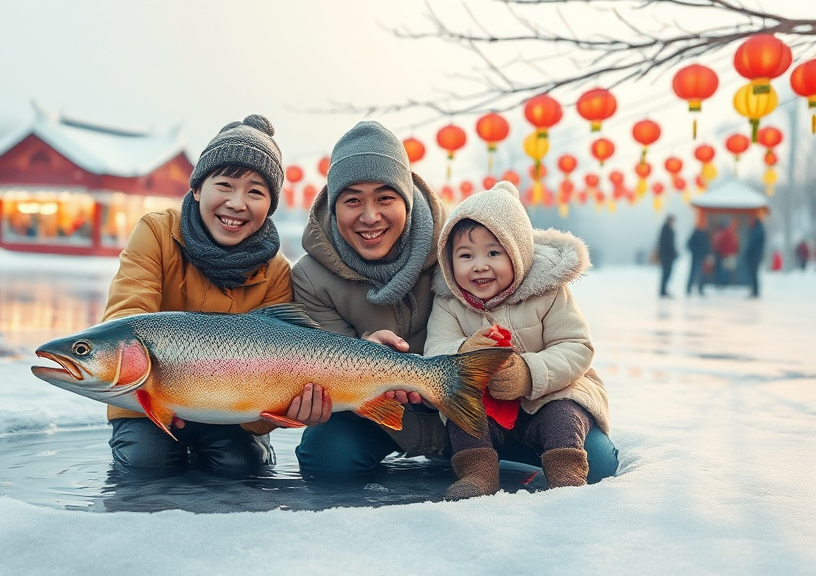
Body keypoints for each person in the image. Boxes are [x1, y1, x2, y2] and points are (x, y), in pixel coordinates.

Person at [101, 114, 328, 474]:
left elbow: (283, 362)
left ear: (270, 206)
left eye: (255, 192)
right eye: (224, 185)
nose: (237, 203)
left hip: (232, 413)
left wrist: (285, 409)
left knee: (241, 468)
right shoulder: (156, 232)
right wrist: (160, 395)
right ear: (196, 189)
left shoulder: (276, 271)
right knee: (146, 463)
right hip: (143, 399)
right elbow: (127, 317)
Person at [424, 181, 615, 498]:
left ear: (518, 253)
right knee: (463, 415)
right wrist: (464, 351)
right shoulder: (448, 302)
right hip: (488, 405)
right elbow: (435, 351)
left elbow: (576, 346)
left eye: (494, 253)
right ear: (449, 260)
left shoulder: (548, 293)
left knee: (563, 415)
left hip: (548, 396)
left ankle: (566, 474)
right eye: (466, 255)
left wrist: (528, 372)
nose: (480, 265)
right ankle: (478, 474)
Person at [291, 120, 451, 474]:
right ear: (334, 207)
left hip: (459, 404)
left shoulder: (456, 251)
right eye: (352, 201)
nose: (370, 217)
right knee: (326, 458)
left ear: (407, 200)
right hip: (372, 415)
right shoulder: (310, 277)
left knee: (576, 454)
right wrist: (362, 354)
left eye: (385, 198)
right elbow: (324, 365)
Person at [742, 216, 766, 298]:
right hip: (755, 256)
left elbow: (752, 244)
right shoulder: (758, 230)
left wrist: (747, 253)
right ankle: (754, 290)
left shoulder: (757, 231)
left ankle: (755, 291)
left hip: (754, 256)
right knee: (753, 274)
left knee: (753, 274)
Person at [686, 221, 712, 296]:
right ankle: (689, 288)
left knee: (701, 273)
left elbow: (707, 245)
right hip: (696, 256)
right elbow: (689, 244)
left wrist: (707, 253)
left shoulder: (704, 234)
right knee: (694, 272)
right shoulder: (696, 234)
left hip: (701, 257)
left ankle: (699, 288)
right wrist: (695, 251)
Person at [712, 221, 739, 286]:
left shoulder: (720, 234)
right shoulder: (731, 233)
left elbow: (716, 244)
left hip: (721, 254)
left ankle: (720, 283)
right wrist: (734, 252)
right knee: (728, 269)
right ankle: (727, 283)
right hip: (729, 254)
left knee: (720, 270)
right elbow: (735, 244)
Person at [656, 215, 677, 297]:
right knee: (666, 273)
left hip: (668, 255)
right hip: (666, 256)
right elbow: (666, 244)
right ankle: (663, 291)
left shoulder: (667, 229)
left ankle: (664, 290)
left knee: (667, 273)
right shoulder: (666, 230)